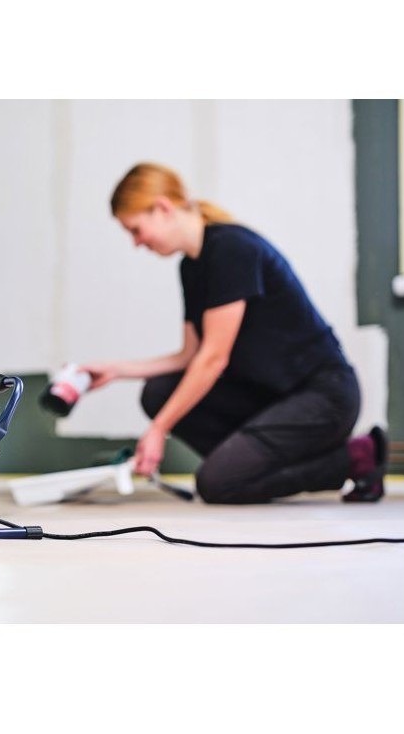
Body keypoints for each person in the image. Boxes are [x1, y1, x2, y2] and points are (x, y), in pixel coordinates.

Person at [81, 163, 387, 504]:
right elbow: (190, 356)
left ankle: (358, 456)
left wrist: (158, 429)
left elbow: (213, 359)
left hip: (322, 397)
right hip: (270, 398)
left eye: (136, 230)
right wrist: (115, 370)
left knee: (217, 484)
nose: (137, 243)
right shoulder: (191, 266)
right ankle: (243, 465)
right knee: (158, 393)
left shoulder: (231, 249)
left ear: (163, 208)